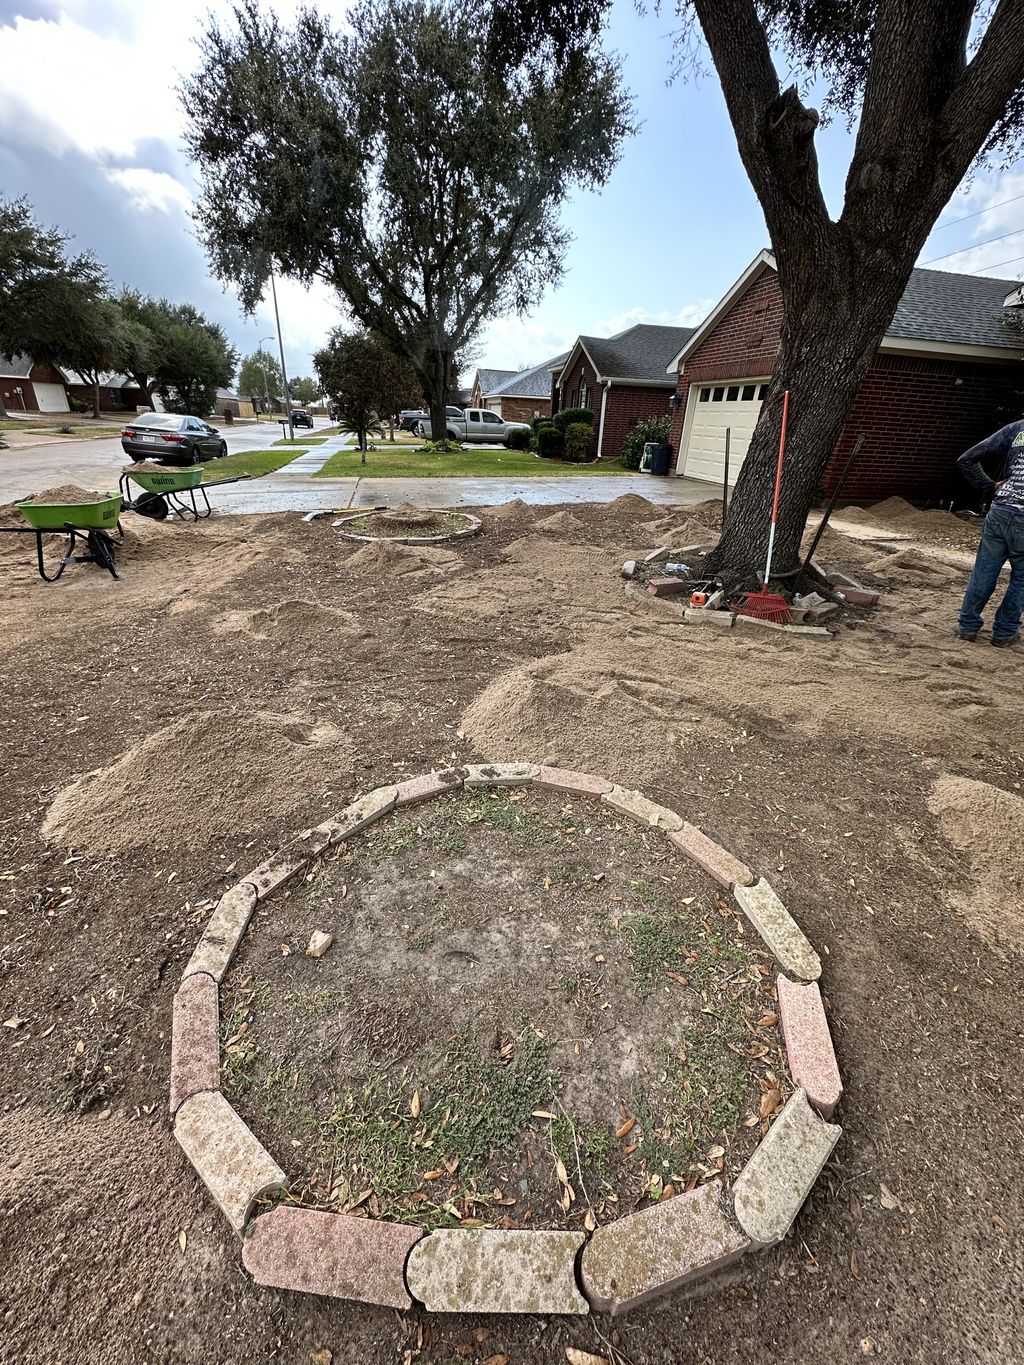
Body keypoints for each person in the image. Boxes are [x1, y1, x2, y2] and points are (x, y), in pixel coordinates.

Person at [956, 418, 1024, 647]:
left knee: (984, 571)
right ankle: (1004, 633)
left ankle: (967, 626)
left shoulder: (1017, 428)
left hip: (1001, 511)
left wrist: (990, 487)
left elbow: (968, 459)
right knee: (1021, 580)